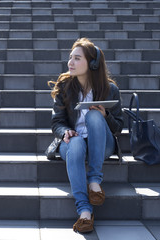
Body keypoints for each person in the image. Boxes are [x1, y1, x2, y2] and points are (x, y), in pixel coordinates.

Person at [45, 38, 123, 233]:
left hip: (101, 144)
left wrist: (106, 116)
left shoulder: (110, 89)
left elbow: (119, 127)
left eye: (77, 58)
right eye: (70, 57)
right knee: (77, 141)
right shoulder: (65, 87)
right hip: (73, 144)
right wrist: (65, 132)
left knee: (96, 115)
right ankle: (85, 211)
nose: (70, 62)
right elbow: (57, 122)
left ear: (92, 64)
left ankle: (94, 180)